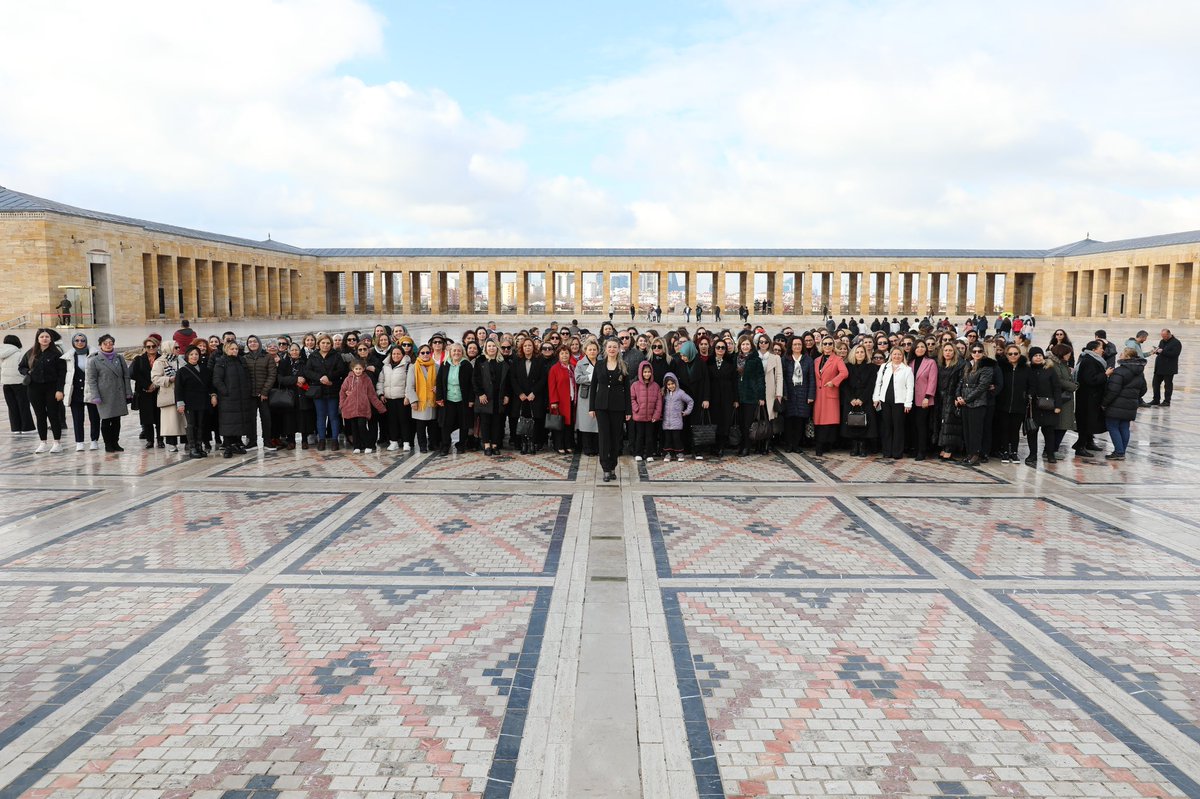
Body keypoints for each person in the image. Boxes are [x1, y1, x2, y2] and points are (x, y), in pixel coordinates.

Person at [20, 328, 67, 453]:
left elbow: (62, 373)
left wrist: (60, 390)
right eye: (42, 337)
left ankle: (57, 442)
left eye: (47, 336)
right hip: (34, 388)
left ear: (51, 339)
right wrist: (27, 372)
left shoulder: (56, 354)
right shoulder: (31, 353)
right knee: (40, 415)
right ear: (38, 339)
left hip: (52, 388)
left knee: (53, 415)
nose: (44, 339)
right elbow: (21, 366)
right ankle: (43, 442)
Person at [591, 338, 631, 482]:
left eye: (615, 347)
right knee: (604, 437)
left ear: (618, 349)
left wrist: (628, 411)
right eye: (610, 347)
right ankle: (605, 468)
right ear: (605, 349)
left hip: (618, 407)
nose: (612, 349)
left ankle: (613, 466)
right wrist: (591, 408)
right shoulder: (599, 364)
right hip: (601, 406)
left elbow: (627, 390)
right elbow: (593, 386)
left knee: (615, 438)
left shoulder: (623, 365)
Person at [84, 334, 131, 453]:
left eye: (111, 343)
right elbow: (92, 380)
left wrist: (128, 392)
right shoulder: (94, 360)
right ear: (100, 345)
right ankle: (108, 444)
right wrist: (95, 396)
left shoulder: (119, 358)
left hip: (118, 393)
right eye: (105, 343)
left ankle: (115, 442)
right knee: (106, 420)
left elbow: (126, 376)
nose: (108, 345)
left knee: (117, 420)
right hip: (104, 395)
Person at [1102, 347, 1147, 460]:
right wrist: (1133, 396)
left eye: (1122, 353)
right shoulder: (1140, 372)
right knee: (1124, 427)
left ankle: (1119, 451)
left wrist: (1104, 403)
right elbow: (1143, 389)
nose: (1120, 355)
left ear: (1126, 357)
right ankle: (1122, 451)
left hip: (1116, 405)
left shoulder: (1119, 371)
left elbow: (1113, 390)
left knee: (1113, 426)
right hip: (1131, 405)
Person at [304, 333, 347, 451]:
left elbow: (341, 370)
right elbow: (307, 371)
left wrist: (328, 378)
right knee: (320, 416)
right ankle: (321, 440)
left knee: (333, 416)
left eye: (328, 343)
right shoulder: (313, 356)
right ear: (318, 344)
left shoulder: (336, 356)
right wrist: (320, 378)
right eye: (323, 343)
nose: (325, 345)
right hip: (318, 390)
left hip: (332, 389)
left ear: (331, 344)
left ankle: (334, 440)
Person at [212, 341, 254, 458]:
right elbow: (217, 380)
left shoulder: (241, 361)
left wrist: (247, 390)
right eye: (232, 349)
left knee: (239, 422)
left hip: (241, 397)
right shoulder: (221, 362)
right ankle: (228, 446)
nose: (234, 351)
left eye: (236, 349)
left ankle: (236, 444)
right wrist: (226, 392)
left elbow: (247, 377)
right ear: (226, 349)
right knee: (228, 422)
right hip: (228, 398)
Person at [873, 347, 914, 460]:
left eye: (899, 354)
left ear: (902, 356)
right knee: (886, 426)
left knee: (898, 427)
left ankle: (897, 452)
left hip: (899, 402)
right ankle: (887, 451)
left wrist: (908, 403)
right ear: (891, 355)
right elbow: (878, 383)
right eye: (895, 354)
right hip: (885, 400)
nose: (897, 356)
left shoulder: (907, 369)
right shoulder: (884, 366)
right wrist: (876, 398)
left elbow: (910, 387)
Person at [1024, 347, 1062, 466]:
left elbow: (1057, 388)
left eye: (1040, 355)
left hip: (1048, 406)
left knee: (1049, 432)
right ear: (1031, 357)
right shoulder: (1027, 370)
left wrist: (1058, 405)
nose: (1038, 357)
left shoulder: (1050, 370)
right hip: (1032, 407)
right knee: (1032, 431)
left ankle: (1050, 454)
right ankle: (1032, 454)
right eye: (1035, 355)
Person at [956, 344, 993, 466]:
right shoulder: (968, 364)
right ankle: (969, 454)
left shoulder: (987, 367)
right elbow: (961, 381)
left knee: (975, 431)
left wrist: (966, 399)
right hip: (965, 403)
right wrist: (958, 396)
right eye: (974, 351)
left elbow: (981, 387)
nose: (977, 353)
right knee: (967, 430)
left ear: (983, 352)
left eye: (979, 351)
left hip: (977, 404)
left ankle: (976, 454)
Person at [994, 344, 1030, 464]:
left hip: (1019, 404)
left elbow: (1030, 384)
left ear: (1019, 355)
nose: (1013, 356)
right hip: (1003, 403)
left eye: (1016, 353)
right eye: (1010, 354)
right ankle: (1005, 451)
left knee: (1015, 430)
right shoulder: (1001, 367)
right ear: (1006, 355)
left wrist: (1026, 396)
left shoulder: (1025, 368)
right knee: (1004, 428)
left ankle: (1014, 452)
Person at [175, 345, 214, 458]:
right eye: (191, 354)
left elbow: (210, 385)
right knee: (191, 424)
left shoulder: (205, 369)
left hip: (202, 401)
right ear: (187, 356)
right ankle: (192, 448)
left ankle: (199, 446)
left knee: (201, 424)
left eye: (196, 354)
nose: (194, 356)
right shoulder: (182, 371)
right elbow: (178, 389)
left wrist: (213, 395)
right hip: (189, 403)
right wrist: (180, 403)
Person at [341, 359, 387, 453]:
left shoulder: (367, 379)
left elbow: (372, 395)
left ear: (363, 369)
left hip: (363, 408)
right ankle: (357, 446)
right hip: (351, 408)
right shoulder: (348, 379)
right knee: (354, 428)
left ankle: (368, 445)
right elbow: (342, 392)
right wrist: (342, 405)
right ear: (352, 369)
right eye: (356, 369)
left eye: (360, 369)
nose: (358, 371)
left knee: (362, 426)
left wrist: (380, 407)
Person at [475, 339, 512, 456]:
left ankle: (495, 444)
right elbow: (475, 379)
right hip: (485, 396)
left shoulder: (504, 362)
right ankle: (486, 444)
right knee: (485, 421)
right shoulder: (480, 361)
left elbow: (508, 382)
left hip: (498, 397)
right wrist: (480, 393)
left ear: (497, 348)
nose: (491, 348)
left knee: (497, 422)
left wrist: (507, 394)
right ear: (485, 348)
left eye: (494, 346)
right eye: (489, 346)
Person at [435, 342, 473, 456]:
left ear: (462, 352)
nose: (456, 352)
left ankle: (462, 445)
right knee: (446, 423)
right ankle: (446, 445)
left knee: (464, 423)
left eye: (459, 351)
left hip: (463, 399)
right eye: (454, 350)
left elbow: (472, 384)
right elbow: (439, 382)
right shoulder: (445, 364)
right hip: (448, 399)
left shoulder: (466, 365)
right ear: (450, 352)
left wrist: (471, 400)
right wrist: (439, 397)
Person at [64, 333, 100, 450]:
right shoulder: (68, 357)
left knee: (94, 417)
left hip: (91, 390)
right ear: (73, 342)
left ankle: (94, 440)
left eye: (83, 340)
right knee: (77, 417)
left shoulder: (94, 354)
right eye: (77, 340)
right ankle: (79, 441)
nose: (80, 342)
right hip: (76, 391)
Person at [812, 338, 847, 456]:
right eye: (825, 343)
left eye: (830, 343)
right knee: (818, 420)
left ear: (833, 345)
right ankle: (819, 445)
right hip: (818, 394)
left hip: (830, 393)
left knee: (827, 421)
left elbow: (844, 373)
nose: (827, 346)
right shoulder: (817, 360)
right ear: (821, 345)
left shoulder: (837, 359)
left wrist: (834, 382)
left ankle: (822, 446)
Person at [1073, 340, 1108, 457]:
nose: (1102, 350)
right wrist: (1106, 375)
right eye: (1100, 348)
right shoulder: (1089, 361)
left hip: (1091, 397)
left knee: (1090, 421)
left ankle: (1088, 442)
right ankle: (1080, 446)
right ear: (1094, 350)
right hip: (1087, 398)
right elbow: (1091, 380)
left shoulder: (1091, 359)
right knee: (1085, 421)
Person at [840, 344, 877, 457]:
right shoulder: (847, 366)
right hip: (850, 399)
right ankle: (854, 446)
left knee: (865, 424)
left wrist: (862, 399)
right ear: (853, 354)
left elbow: (872, 385)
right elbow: (844, 385)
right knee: (852, 423)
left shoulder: (872, 367)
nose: (860, 354)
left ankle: (862, 447)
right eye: (857, 352)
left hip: (865, 399)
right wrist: (851, 398)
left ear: (866, 354)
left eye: (862, 352)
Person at [151, 339, 187, 452]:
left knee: (184, 420)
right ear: (168, 348)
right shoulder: (160, 362)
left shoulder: (181, 360)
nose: (178, 349)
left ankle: (186, 441)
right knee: (170, 421)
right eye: (175, 348)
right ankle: (172, 444)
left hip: (182, 394)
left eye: (178, 347)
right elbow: (155, 378)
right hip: (168, 395)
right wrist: (169, 379)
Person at [734, 336, 767, 456]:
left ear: (751, 346)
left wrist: (761, 396)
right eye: (743, 345)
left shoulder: (755, 360)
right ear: (740, 346)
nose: (745, 347)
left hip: (751, 396)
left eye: (747, 344)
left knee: (748, 424)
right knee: (741, 423)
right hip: (738, 396)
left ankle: (746, 447)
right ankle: (741, 445)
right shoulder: (735, 358)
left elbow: (760, 378)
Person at [379, 341, 413, 451]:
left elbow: (410, 383)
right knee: (391, 421)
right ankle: (393, 441)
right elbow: (380, 381)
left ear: (403, 355)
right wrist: (381, 393)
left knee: (404, 421)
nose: (396, 356)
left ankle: (406, 442)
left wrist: (407, 396)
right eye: (394, 354)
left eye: (398, 354)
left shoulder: (408, 366)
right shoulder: (385, 367)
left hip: (402, 399)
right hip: (389, 399)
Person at [406, 343, 439, 453]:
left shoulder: (436, 366)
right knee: (420, 427)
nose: (425, 355)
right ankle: (422, 446)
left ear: (431, 353)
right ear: (419, 354)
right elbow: (410, 386)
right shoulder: (413, 367)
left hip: (432, 401)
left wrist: (438, 388)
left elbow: (441, 382)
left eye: (427, 352)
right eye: (423, 353)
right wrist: (413, 401)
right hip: (420, 402)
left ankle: (432, 444)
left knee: (432, 426)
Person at [1, 334, 37, 434]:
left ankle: (15, 428)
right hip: (19, 383)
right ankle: (27, 428)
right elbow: (23, 367)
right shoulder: (19, 354)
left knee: (12, 406)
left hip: (6, 383)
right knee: (23, 405)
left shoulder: (1, 353)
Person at [129, 338, 162, 448]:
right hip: (144, 391)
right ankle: (150, 440)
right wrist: (147, 385)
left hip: (159, 391)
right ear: (145, 348)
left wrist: (155, 385)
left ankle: (160, 440)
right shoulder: (139, 359)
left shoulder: (162, 359)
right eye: (148, 347)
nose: (151, 348)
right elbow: (135, 374)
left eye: (153, 346)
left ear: (157, 346)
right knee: (146, 417)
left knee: (159, 417)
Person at [936, 343, 965, 460]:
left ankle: (949, 449)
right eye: (946, 350)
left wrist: (957, 396)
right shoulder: (940, 365)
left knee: (950, 424)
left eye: (950, 350)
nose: (948, 352)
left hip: (951, 397)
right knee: (942, 423)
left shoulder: (959, 365)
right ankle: (943, 447)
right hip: (940, 397)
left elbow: (960, 382)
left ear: (954, 353)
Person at [630, 361, 662, 462]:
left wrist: (656, 415)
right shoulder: (635, 385)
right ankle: (638, 453)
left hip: (651, 416)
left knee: (650, 436)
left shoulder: (656, 386)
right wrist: (637, 409)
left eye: (649, 372)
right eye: (645, 372)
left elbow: (659, 401)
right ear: (640, 372)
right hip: (639, 416)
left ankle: (649, 454)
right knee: (639, 436)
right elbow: (631, 399)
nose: (647, 374)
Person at [546, 345, 576, 454]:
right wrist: (553, 401)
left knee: (569, 425)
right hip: (560, 401)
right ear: (558, 355)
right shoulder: (555, 368)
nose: (564, 355)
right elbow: (551, 386)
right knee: (559, 425)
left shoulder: (572, 367)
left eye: (566, 353)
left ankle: (568, 444)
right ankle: (559, 445)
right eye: (562, 353)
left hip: (571, 400)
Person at [660, 372, 694, 461]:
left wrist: (687, 412)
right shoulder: (664, 394)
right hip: (666, 422)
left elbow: (690, 401)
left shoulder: (680, 393)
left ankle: (679, 453)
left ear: (676, 383)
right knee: (668, 439)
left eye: (672, 384)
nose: (671, 386)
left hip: (677, 421)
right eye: (668, 384)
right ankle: (668, 454)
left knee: (676, 438)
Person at [574, 339, 600, 456]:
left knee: (597, 423)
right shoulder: (580, 363)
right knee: (586, 423)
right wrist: (591, 378)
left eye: (594, 349)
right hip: (586, 395)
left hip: (599, 394)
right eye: (590, 349)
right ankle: (587, 448)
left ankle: (597, 447)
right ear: (585, 351)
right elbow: (578, 378)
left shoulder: (602, 363)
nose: (592, 351)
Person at [1150, 328, 1181, 406]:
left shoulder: (1176, 343)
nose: (1163, 337)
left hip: (1169, 368)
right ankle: (1156, 400)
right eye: (1162, 336)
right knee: (1155, 384)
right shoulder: (1162, 341)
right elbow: (1160, 352)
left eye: (1164, 336)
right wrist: (1156, 351)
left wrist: (1162, 351)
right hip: (1159, 367)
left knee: (1167, 385)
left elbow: (1175, 354)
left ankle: (1167, 401)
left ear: (1169, 334)